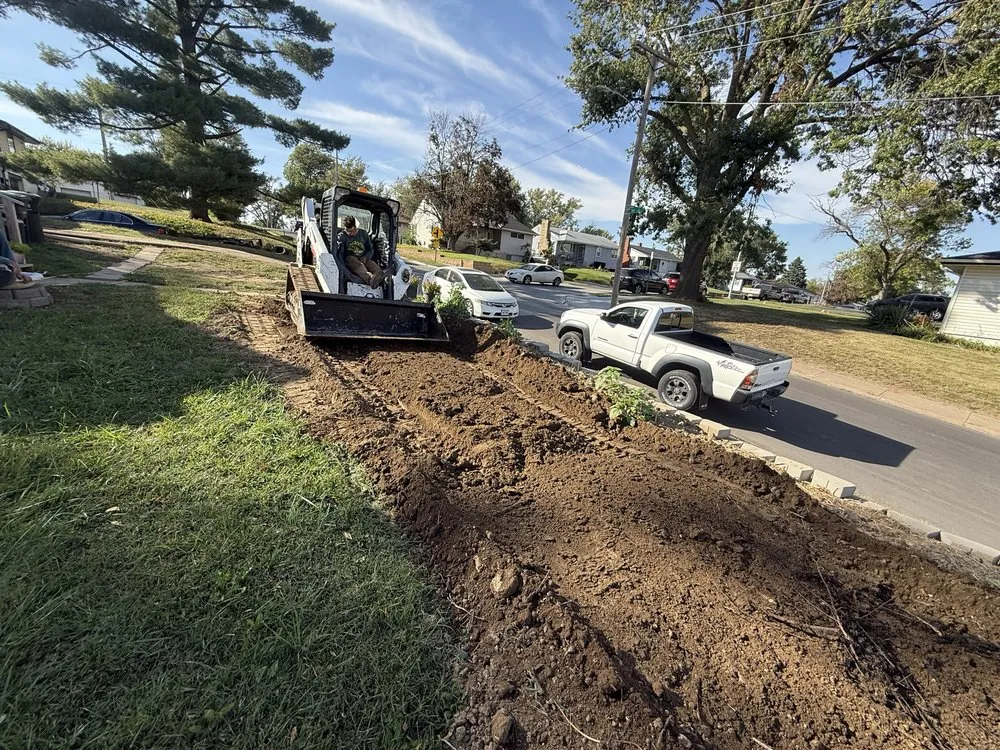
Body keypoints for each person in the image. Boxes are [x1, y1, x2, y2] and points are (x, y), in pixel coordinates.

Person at [337, 215, 385, 288]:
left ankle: (379, 278)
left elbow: (370, 249)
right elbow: (340, 253)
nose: (349, 233)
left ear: (355, 227)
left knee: (375, 267)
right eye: (347, 231)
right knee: (359, 266)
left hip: (363, 257)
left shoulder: (364, 234)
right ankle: (370, 279)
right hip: (350, 259)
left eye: (351, 231)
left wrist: (366, 257)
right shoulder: (342, 236)